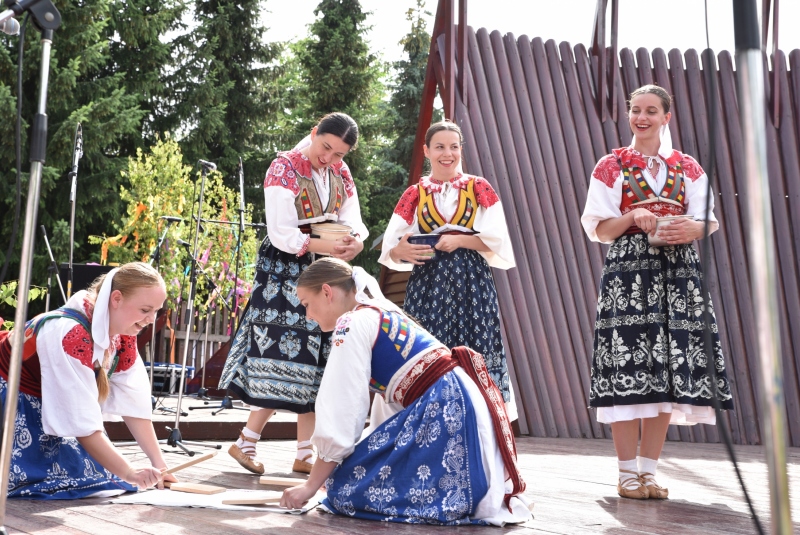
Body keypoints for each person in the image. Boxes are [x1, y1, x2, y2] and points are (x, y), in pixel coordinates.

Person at [280, 257, 532, 525]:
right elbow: (389, 402)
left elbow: (341, 408)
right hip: (464, 411)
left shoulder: (350, 323)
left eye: (307, 304)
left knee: (342, 490)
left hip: (447, 413)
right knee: (347, 476)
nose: (308, 316)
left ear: (327, 292)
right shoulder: (381, 313)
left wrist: (310, 486)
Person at [581, 84, 734, 500]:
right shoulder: (611, 165)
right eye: (635, 110)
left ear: (667, 117)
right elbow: (599, 228)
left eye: (651, 111)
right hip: (629, 275)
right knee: (629, 366)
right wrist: (633, 214)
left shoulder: (687, 167)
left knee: (666, 368)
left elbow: (708, 220)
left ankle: (648, 472)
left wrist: (694, 227)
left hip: (678, 272)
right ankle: (626, 473)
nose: (642, 118)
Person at [219, 112, 368, 475]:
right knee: (284, 352)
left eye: (339, 155)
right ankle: (246, 441)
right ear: (314, 132)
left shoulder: (340, 174)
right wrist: (324, 244)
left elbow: (354, 218)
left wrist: (355, 243)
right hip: (284, 270)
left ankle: (303, 452)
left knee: (319, 358)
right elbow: (282, 232)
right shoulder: (283, 167)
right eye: (326, 147)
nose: (329, 158)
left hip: (325, 267)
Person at [0, 262, 177, 499]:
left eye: (156, 311)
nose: (151, 319)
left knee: (90, 476)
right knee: (42, 479)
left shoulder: (123, 333)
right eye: (145, 310)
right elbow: (81, 423)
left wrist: (161, 465)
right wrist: (129, 472)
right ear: (116, 298)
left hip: (40, 404)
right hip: (12, 402)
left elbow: (134, 405)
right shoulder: (68, 333)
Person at [378, 120, 517, 415]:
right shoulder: (414, 194)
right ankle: (426, 417)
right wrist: (400, 250)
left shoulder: (479, 188)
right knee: (430, 347)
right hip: (428, 281)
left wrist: (459, 241)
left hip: (472, 281)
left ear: (460, 150)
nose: (448, 153)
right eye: (440, 147)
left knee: (474, 346)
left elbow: (500, 242)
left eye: (454, 147)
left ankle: (479, 418)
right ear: (427, 150)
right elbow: (391, 248)